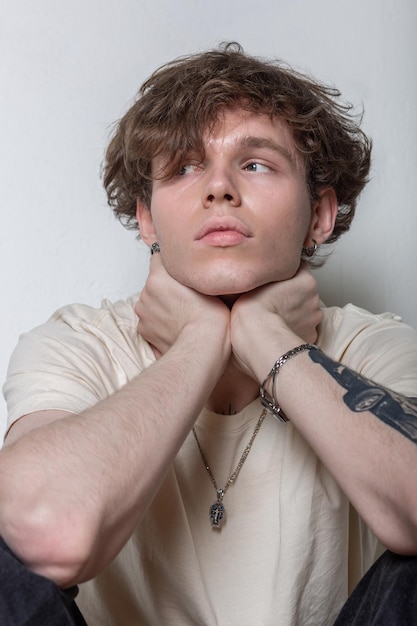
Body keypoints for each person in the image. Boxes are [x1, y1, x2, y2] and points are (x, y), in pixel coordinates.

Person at [1, 42, 417, 625]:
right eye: (186, 166)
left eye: (255, 164)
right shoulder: (80, 343)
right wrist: (200, 338)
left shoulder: (371, 346)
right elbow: (44, 533)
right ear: (147, 217)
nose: (218, 189)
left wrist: (270, 341)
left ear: (319, 216)